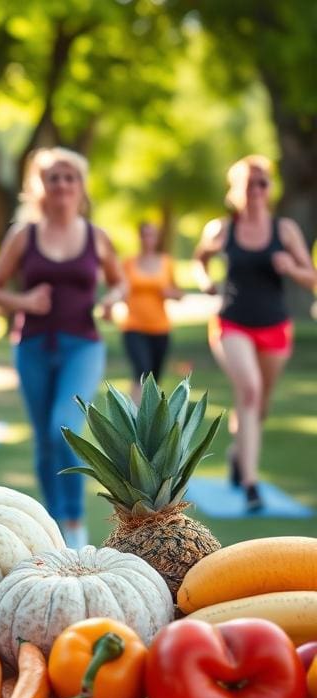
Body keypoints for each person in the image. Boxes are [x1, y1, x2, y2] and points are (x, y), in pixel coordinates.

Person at [0, 147, 123, 548]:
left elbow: (121, 281)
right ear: (40, 186)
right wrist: (24, 302)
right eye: (53, 178)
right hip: (32, 346)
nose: (62, 184)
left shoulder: (96, 236)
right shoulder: (23, 235)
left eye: (69, 177)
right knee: (44, 440)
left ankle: (75, 524)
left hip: (82, 345)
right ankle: (54, 525)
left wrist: (113, 299)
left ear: (80, 186)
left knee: (63, 428)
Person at [193, 155, 316, 511]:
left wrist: (292, 267)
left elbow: (312, 278)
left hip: (275, 327)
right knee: (248, 390)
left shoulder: (285, 230)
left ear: (271, 188)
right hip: (232, 322)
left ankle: (237, 455)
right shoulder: (221, 229)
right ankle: (251, 485)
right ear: (236, 190)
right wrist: (206, 283)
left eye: (263, 182)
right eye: (250, 183)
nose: (257, 189)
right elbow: (201, 259)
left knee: (258, 405)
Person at [119, 222, 184, 403]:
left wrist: (170, 293)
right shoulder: (128, 264)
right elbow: (119, 290)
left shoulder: (166, 263)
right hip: (133, 327)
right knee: (142, 371)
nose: (148, 239)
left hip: (160, 328)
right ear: (140, 237)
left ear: (157, 238)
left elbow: (179, 293)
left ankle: (149, 417)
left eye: (152, 235)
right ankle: (134, 417)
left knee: (154, 379)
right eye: (145, 235)